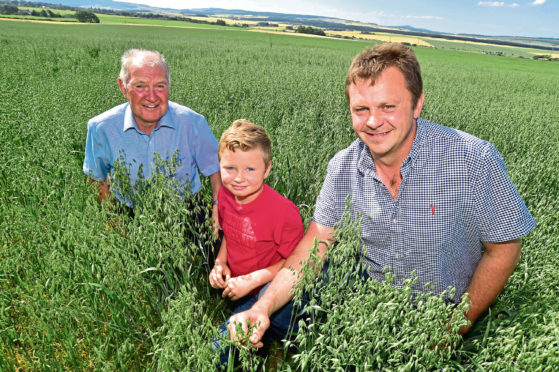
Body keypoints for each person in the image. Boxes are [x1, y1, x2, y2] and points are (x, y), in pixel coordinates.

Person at [228, 43, 536, 348]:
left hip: (441, 311)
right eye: (361, 109)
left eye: (388, 106)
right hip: (363, 292)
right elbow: (314, 247)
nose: (373, 121)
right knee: (235, 332)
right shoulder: (342, 167)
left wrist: (452, 328)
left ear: (417, 104)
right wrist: (262, 308)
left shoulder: (472, 160)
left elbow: (505, 249)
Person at [83, 48, 221, 231]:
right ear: (123, 87)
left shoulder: (193, 123)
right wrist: (114, 222)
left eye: (160, 86)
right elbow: (97, 177)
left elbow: (216, 169)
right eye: (140, 86)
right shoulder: (101, 128)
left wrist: (217, 207)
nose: (152, 96)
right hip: (129, 213)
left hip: (187, 212)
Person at [209, 119, 304, 364]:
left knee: (221, 353)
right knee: (216, 354)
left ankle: (286, 333)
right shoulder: (225, 196)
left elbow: (294, 264)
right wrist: (221, 263)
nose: (238, 179)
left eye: (250, 169)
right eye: (229, 168)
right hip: (239, 289)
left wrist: (250, 280)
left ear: (267, 169)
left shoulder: (283, 213)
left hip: (270, 291)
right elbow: (229, 234)